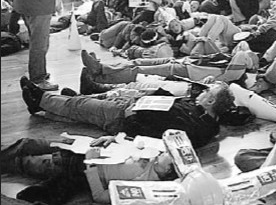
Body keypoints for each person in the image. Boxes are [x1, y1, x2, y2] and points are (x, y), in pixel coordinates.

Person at [19, 75, 235, 148]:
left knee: (78, 108)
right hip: (135, 107)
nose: (202, 92)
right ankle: (40, 106)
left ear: (211, 100)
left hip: (125, 116)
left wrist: (126, 129)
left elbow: (158, 135)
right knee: (81, 108)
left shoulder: (195, 125)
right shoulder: (204, 118)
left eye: (208, 92)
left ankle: (41, 97)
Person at [1, 134, 177, 204]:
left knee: (25, 162)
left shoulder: (145, 185)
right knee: (29, 143)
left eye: (164, 156)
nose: (160, 153)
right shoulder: (152, 155)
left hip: (79, 167)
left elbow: (100, 197)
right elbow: (127, 141)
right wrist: (112, 138)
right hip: (84, 148)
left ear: (167, 171)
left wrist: (91, 165)